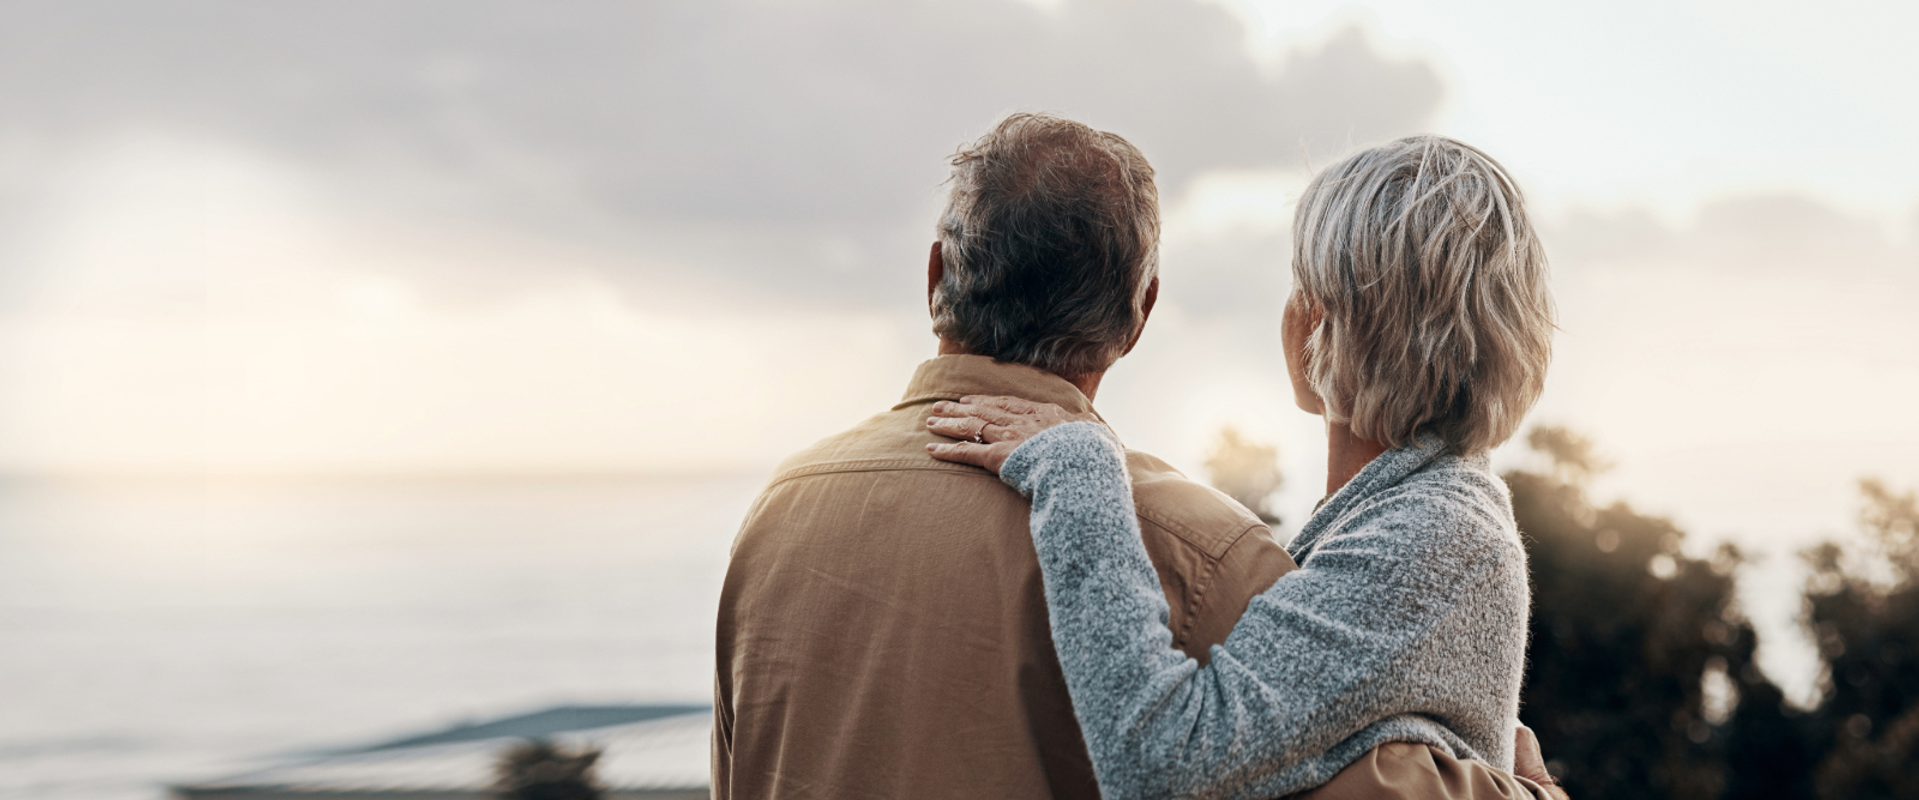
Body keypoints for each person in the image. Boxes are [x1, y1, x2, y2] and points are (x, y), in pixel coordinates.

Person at [715, 115, 1562, 799]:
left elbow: (1166, 761)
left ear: (1314, 327)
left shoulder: (780, 505)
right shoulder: (1249, 547)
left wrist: (1080, 471)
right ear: (1139, 311)